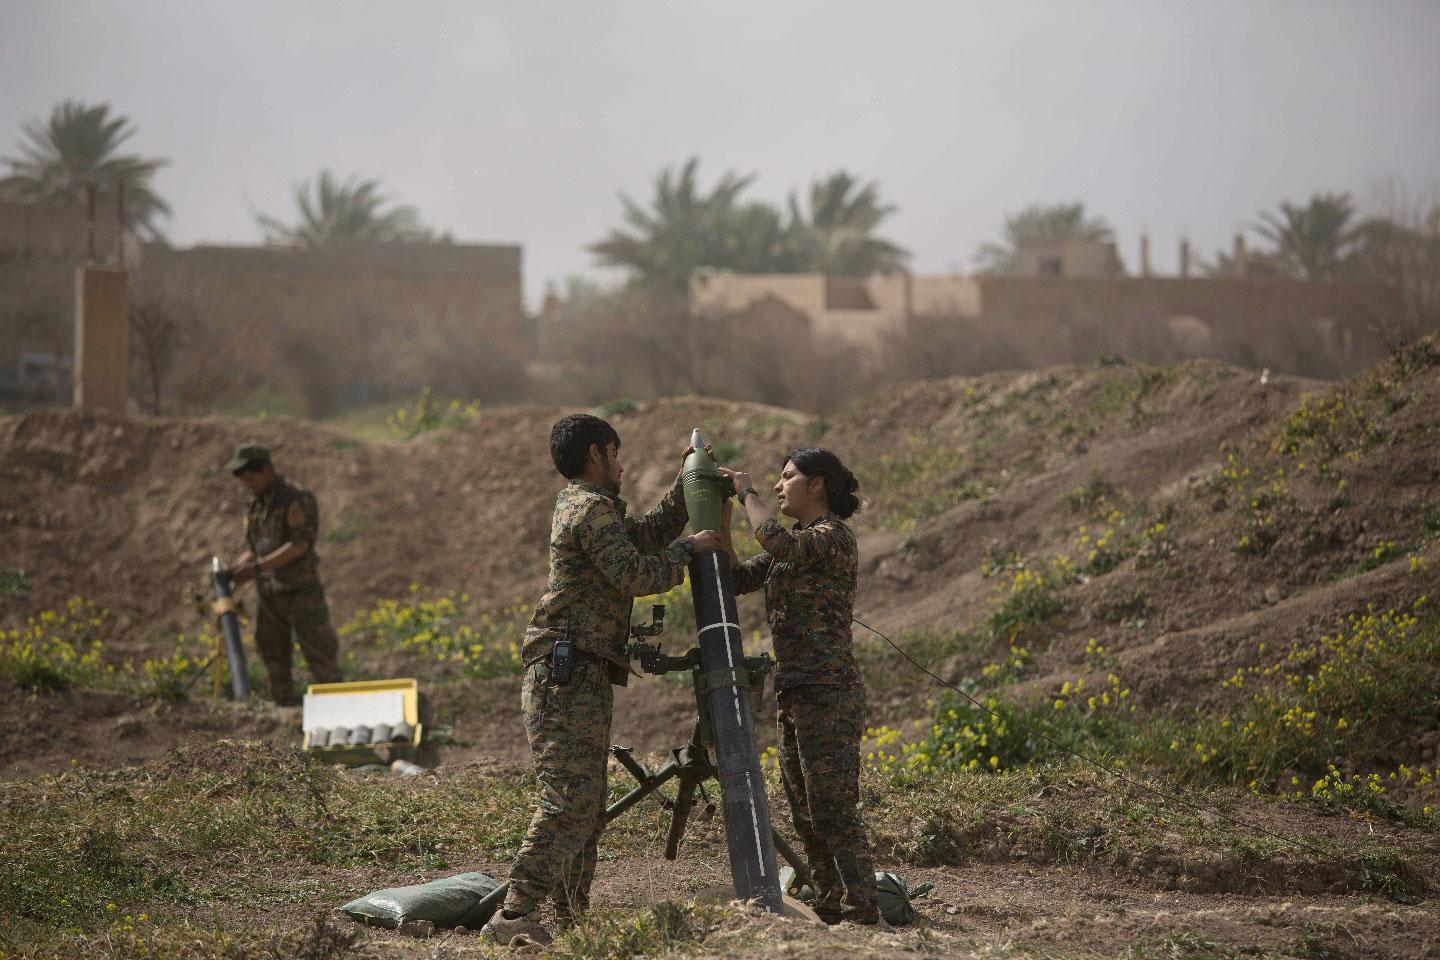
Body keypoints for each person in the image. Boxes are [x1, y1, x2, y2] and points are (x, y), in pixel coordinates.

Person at [481, 415, 720, 947]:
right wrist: (691, 550)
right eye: (616, 452)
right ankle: (514, 914)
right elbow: (635, 572)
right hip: (565, 674)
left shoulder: (595, 509)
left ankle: (570, 919)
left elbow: (647, 534)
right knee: (569, 801)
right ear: (596, 453)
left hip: (581, 673)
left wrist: (686, 487)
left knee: (585, 802)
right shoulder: (588, 508)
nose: (622, 462)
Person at [717, 449, 879, 926]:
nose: (779, 485)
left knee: (833, 804)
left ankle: (863, 907)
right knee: (806, 808)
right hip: (796, 692)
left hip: (828, 691)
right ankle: (830, 900)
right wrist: (725, 513)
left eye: (789, 477)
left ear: (819, 485)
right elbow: (737, 576)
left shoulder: (831, 539)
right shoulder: (793, 546)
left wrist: (747, 491)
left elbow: (775, 543)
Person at [224, 445, 344, 706]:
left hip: (301, 592)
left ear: (267, 470)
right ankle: (286, 717)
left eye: (252, 478)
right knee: (274, 657)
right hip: (270, 596)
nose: (248, 484)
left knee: (320, 654)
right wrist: (238, 567)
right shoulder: (256, 505)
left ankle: (338, 712)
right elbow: (256, 548)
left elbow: (299, 545)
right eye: (244, 480)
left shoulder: (296, 498)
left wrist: (257, 567)